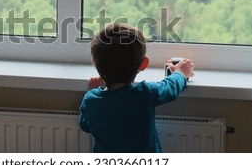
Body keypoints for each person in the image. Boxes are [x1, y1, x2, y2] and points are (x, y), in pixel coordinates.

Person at [79, 23, 195, 152]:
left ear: (95, 62)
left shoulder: (91, 100)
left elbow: (85, 125)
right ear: (143, 64)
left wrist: (94, 91)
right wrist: (180, 73)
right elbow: (170, 87)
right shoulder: (145, 93)